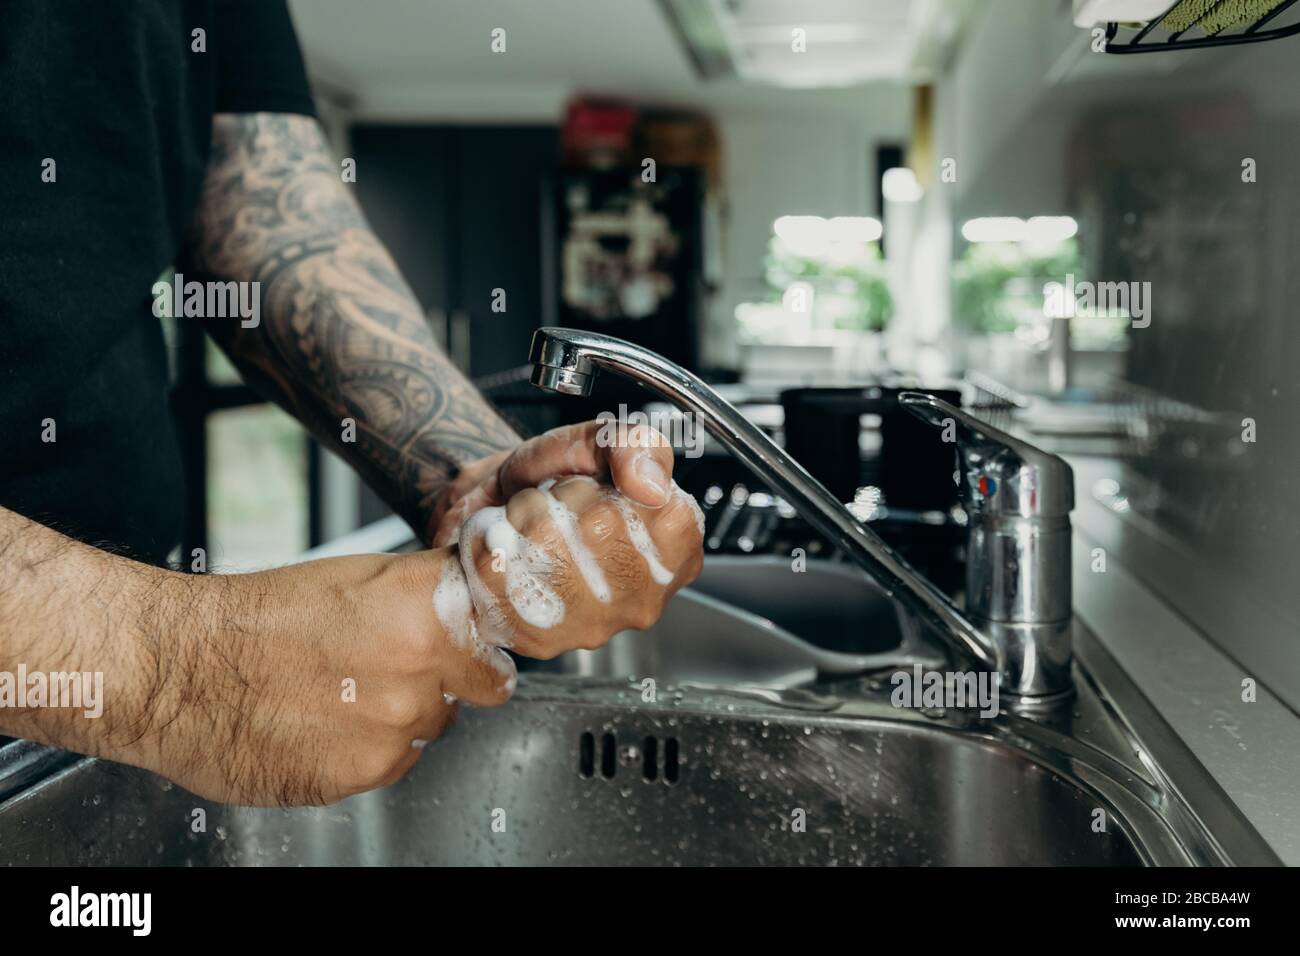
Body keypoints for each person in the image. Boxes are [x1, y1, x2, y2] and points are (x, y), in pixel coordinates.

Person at [0, 1, 703, 807]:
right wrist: (175, 670)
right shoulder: (168, 681)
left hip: (109, 725)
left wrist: (468, 474)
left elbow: (266, 210)